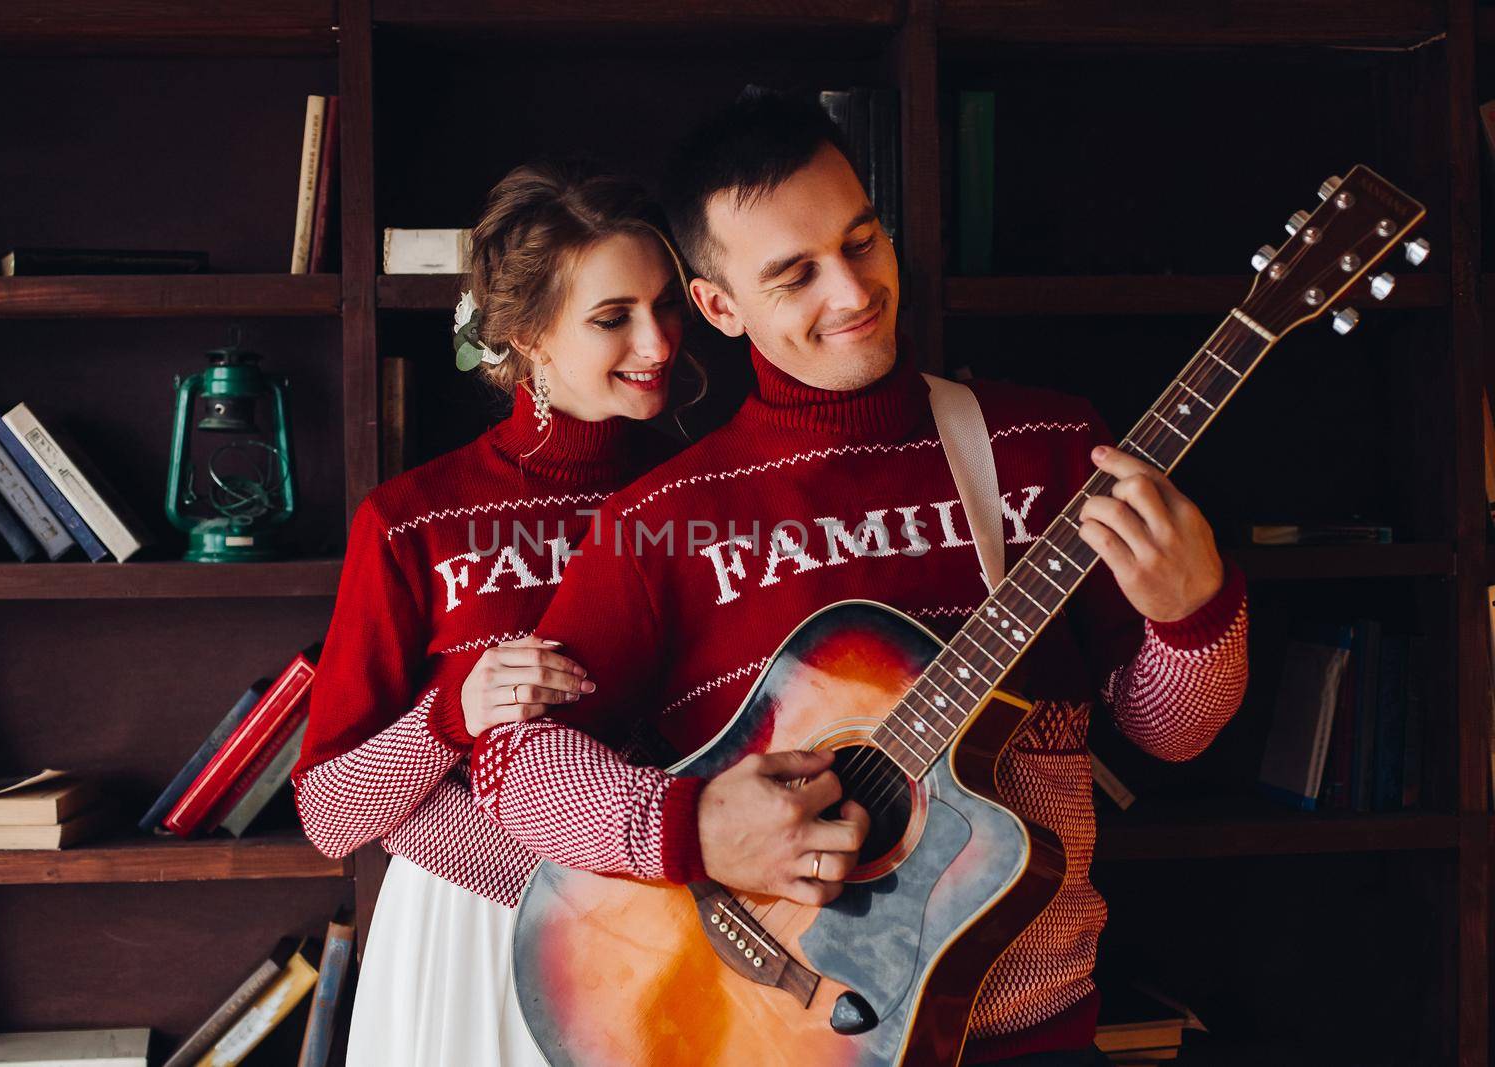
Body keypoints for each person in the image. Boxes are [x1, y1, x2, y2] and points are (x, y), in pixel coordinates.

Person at [416, 93, 1253, 1065]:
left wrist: (1196, 615)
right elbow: (513, 766)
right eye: (795, 272)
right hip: (760, 1032)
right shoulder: (658, 522)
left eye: (862, 241)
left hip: (1037, 1035)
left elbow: (1170, 732)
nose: (852, 291)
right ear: (719, 306)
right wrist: (693, 828)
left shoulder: (1051, 447)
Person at [289, 159, 697, 1066]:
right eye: (612, 318)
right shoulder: (410, 520)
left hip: (680, 919)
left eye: (666, 304)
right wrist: (451, 715)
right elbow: (327, 811)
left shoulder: (701, 495)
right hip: (469, 937)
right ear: (526, 336)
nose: (660, 341)